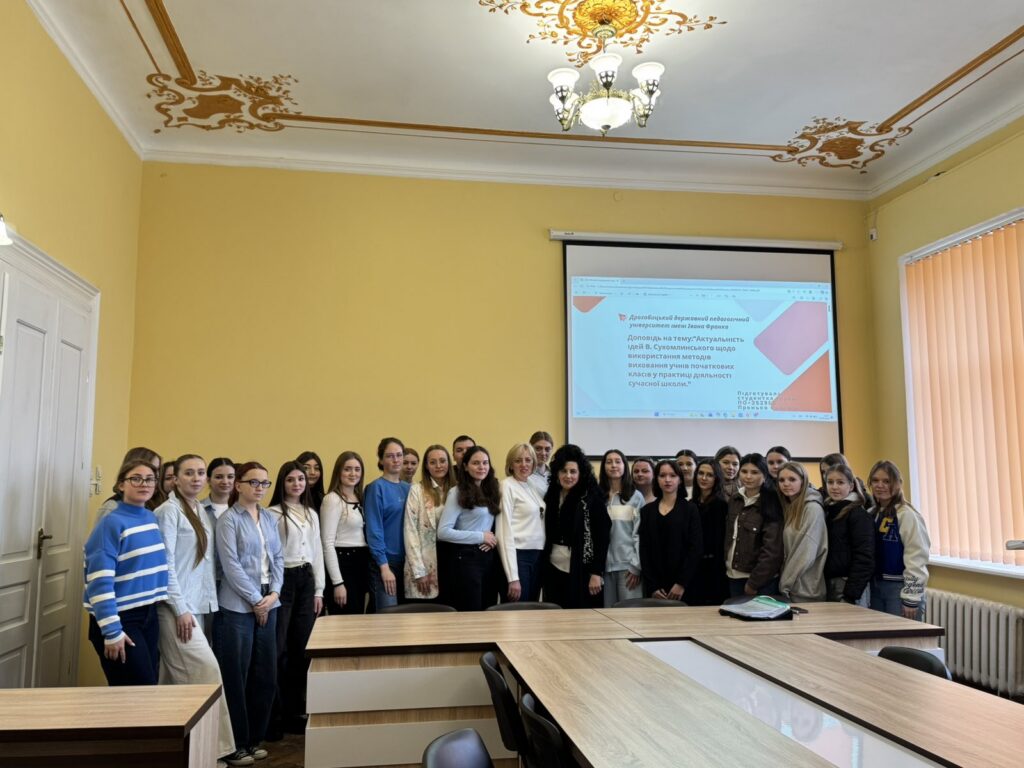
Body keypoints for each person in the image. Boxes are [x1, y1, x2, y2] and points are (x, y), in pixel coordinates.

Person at [153, 454, 235, 762]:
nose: (197, 478)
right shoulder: (167, 512)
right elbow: (166, 565)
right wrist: (180, 609)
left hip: (198, 605)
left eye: (201, 472)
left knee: (172, 679)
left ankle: (173, 750)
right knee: (206, 672)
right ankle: (215, 751)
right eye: (189, 473)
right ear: (175, 478)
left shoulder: (200, 510)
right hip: (176, 609)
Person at [214, 461, 283, 766]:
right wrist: (257, 601)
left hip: (269, 600)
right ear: (238, 485)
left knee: (265, 674)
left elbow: (278, 558)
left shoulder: (268, 517)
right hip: (238, 606)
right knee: (236, 676)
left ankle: (255, 739)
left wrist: (274, 595)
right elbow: (230, 566)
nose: (259, 488)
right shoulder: (228, 520)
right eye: (253, 482)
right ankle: (236, 744)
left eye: (264, 483)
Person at [83, 459, 168, 686]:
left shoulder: (150, 517)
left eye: (150, 479)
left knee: (148, 689)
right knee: (134, 693)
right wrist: (112, 631)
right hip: (119, 618)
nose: (144, 484)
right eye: (136, 479)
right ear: (121, 484)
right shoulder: (111, 523)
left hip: (148, 614)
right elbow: (99, 581)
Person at [267, 461, 325, 736]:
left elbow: (317, 552)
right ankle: (275, 715)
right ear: (282, 483)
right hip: (283, 581)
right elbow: (269, 556)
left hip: (306, 579)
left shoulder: (311, 513)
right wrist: (273, 589)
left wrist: (319, 590)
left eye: (300, 479)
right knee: (279, 649)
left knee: (302, 648)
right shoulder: (272, 514)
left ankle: (296, 710)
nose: (297, 484)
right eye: (291, 479)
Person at [542, 444, 610, 608]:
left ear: (581, 473)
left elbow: (602, 538)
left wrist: (596, 573)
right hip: (553, 569)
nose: (568, 476)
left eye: (573, 471)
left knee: (580, 616)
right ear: (557, 473)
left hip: (582, 570)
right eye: (563, 471)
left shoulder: (592, 498)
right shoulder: (551, 495)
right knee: (554, 615)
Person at [437, 446, 501, 611]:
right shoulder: (456, 492)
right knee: (472, 612)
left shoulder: (491, 490)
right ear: (465, 466)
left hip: (488, 558)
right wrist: (480, 537)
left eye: (485, 463)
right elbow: (443, 532)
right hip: (466, 560)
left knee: (488, 610)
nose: (481, 467)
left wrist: (490, 539)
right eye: (476, 463)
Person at [868, 460, 930, 620]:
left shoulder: (906, 514)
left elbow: (917, 557)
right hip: (876, 588)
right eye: (875, 480)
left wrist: (911, 597)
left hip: (899, 590)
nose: (880, 485)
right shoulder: (872, 513)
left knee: (901, 635)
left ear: (897, 484)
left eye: (886, 481)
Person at [638, 460, 702, 601]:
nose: (667, 480)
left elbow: (695, 548)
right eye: (662, 475)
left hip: (684, 586)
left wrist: (681, 583)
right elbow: (644, 549)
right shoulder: (647, 511)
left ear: (680, 480)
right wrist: (653, 586)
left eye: (672, 475)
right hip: (656, 587)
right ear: (656, 479)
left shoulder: (690, 509)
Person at [724, 453, 783, 597]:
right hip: (733, 575)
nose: (748, 476)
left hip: (759, 581)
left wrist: (754, 582)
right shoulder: (735, 499)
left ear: (765, 475)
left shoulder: (772, 501)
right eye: (744, 471)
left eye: (755, 472)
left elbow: (772, 550)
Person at [496, 443, 547, 603]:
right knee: (517, 611)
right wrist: (513, 577)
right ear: (511, 465)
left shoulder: (531, 485)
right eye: (518, 461)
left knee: (532, 609)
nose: (524, 464)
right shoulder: (506, 486)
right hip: (518, 558)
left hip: (537, 556)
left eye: (528, 460)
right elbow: (503, 532)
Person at [320, 451, 370, 615]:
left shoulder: (360, 497)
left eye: (357, 469)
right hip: (343, 564)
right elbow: (327, 543)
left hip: (360, 563)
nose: (353, 473)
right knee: (344, 620)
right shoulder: (332, 499)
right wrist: (338, 583)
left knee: (358, 617)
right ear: (338, 472)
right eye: (347, 469)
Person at [364, 437, 411, 609]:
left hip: (407, 564)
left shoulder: (408, 488)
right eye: (390, 456)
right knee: (388, 617)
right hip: (385, 563)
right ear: (381, 460)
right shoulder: (376, 488)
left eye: (399, 455)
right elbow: (374, 529)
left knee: (406, 618)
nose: (396, 460)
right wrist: (384, 567)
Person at [404, 445, 454, 601]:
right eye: (433, 462)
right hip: (427, 559)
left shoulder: (458, 489)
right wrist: (419, 571)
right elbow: (410, 531)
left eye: (442, 461)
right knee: (429, 609)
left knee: (454, 608)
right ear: (426, 466)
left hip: (455, 557)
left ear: (449, 463)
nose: (438, 466)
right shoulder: (417, 490)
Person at [822, 463, 874, 606]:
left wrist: (850, 595)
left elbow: (865, 557)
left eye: (840, 482)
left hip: (849, 586)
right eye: (830, 482)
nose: (834, 487)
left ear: (851, 486)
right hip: (830, 583)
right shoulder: (829, 510)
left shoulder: (858, 514)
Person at [776, 462, 828, 602]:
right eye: (782, 480)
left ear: (803, 481)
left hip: (806, 590)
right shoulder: (789, 507)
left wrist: (785, 583)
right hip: (792, 587)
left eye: (792, 479)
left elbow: (806, 552)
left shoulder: (812, 509)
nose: (786, 484)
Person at [599, 449, 644, 607]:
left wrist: (636, 566)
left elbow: (639, 534)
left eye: (618, 461)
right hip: (605, 568)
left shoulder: (636, 497)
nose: (613, 465)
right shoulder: (598, 496)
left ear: (625, 466)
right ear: (603, 467)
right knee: (608, 615)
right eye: (609, 462)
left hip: (628, 568)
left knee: (630, 615)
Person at [687, 458, 730, 606]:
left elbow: (720, 542)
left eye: (710, 475)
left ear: (716, 479)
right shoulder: (691, 504)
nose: (704, 478)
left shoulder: (721, 505)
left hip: (713, 568)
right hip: (693, 566)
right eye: (701, 473)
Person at [96, 446, 164, 517]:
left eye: (158, 469)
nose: (157, 474)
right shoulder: (111, 507)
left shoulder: (150, 504)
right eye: (152, 468)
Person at [203, 457, 235, 521]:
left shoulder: (243, 509)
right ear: (208, 480)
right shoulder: (197, 508)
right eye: (218, 477)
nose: (225, 482)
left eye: (230, 477)